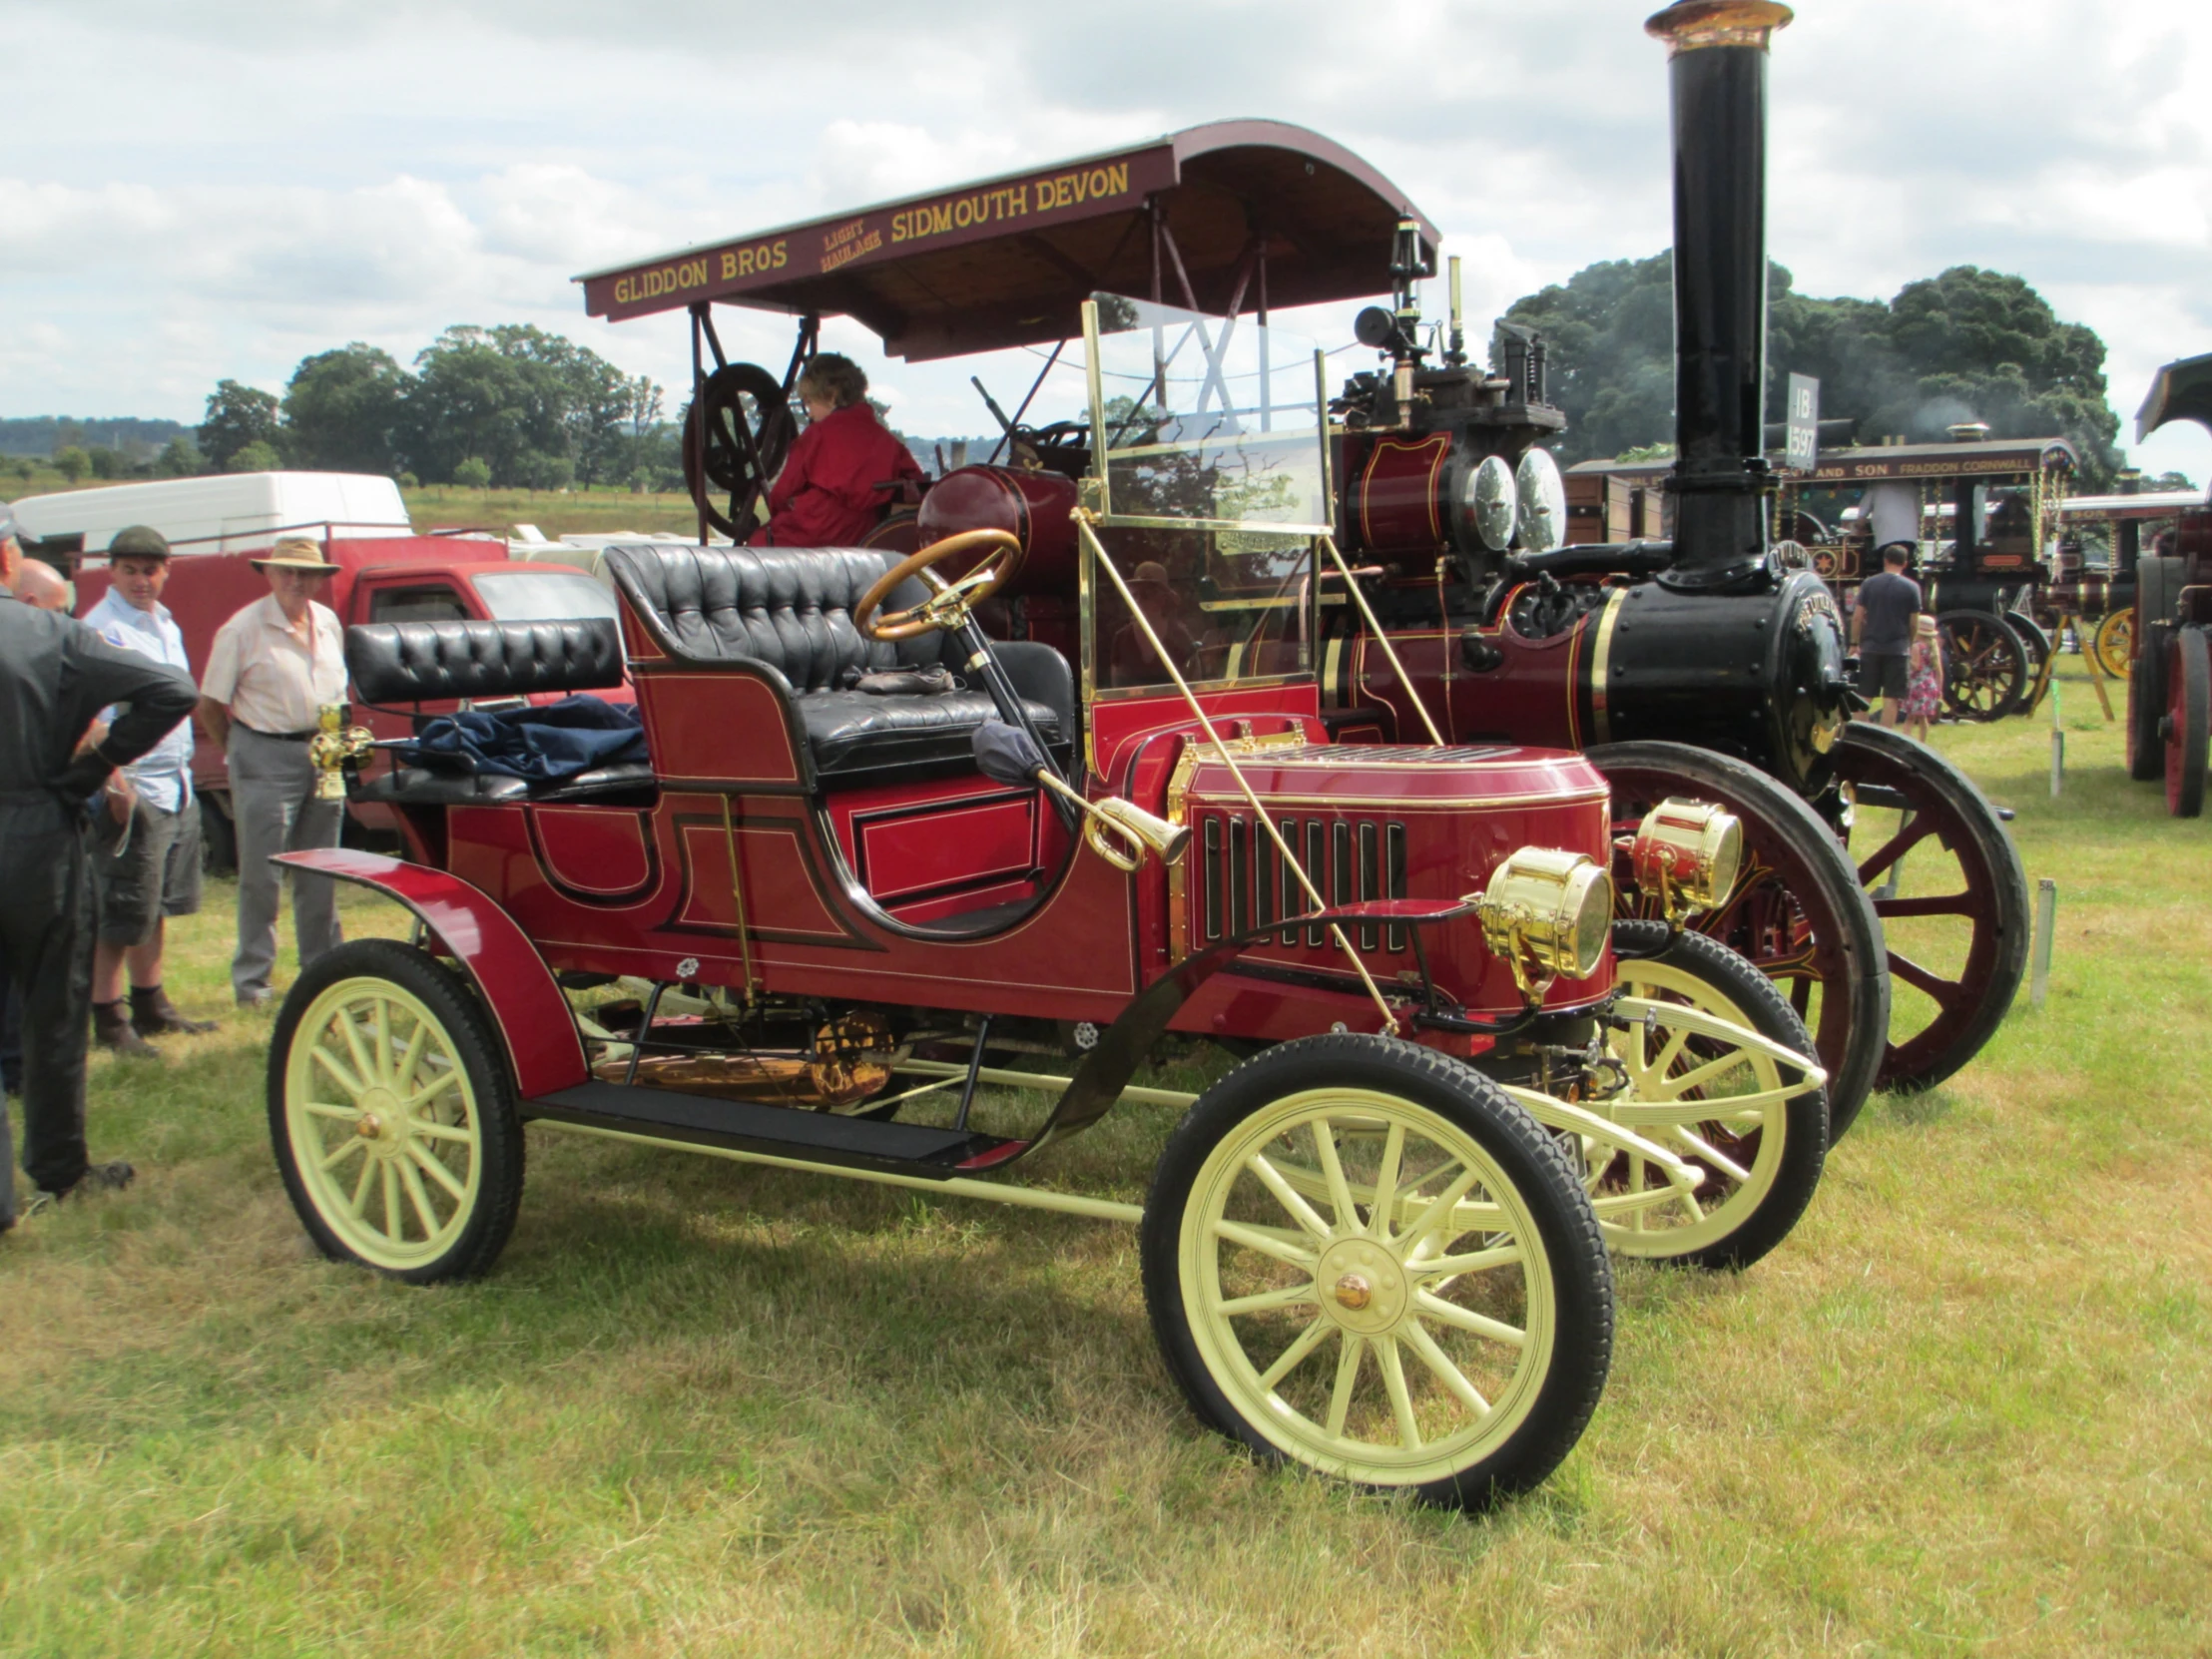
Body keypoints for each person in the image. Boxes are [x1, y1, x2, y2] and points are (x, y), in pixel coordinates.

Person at [0, 500, 198, 1231]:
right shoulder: (50, 631)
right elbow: (171, 692)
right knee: (53, 1011)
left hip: (36, 817)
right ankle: (57, 1168)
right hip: (37, 832)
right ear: (6, 563)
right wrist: (93, 771)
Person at [197, 538, 347, 1008]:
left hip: (322, 751)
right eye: (286, 572)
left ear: (321, 579)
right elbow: (209, 705)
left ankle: (322, 970)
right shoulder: (242, 629)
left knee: (321, 867)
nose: (296, 582)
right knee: (262, 874)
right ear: (268, 574)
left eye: (305, 574)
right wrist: (243, 754)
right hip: (263, 750)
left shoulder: (328, 621)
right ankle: (254, 984)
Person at [83, 526, 216, 1055]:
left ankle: (151, 1003)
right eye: (130, 570)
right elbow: (92, 718)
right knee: (119, 909)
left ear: (167, 570)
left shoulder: (165, 624)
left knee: (153, 903)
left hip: (175, 781)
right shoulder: (102, 628)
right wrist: (114, 783)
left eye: (151, 569)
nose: (142, 580)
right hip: (135, 783)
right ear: (111, 571)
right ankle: (108, 1018)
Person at [751, 354, 925, 548]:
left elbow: (781, 495)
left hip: (810, 532)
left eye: (809, 402)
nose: (809, 412)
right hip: (862, 537)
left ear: (832, 395)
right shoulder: (889, 442)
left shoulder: (816, 435)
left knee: (756, 547)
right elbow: (918, 484)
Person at [1853, 544, 1923, 728]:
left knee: (1864, 695)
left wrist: (1854, 642)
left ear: (1885, 560)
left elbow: (1858, 616)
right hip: (1898, 648)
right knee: (1892, 698)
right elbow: (1914, 622)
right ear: (1905, 563)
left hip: (1871, 646)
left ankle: (1856, 733)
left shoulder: (1869, 584)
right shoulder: (1912, 587)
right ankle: (1885, 736)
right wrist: (1910, 641)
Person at [1903, 614, 1943, 743]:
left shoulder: (1916, 646)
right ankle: (1922, 741)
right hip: (1930, 685)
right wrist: (1939, 689)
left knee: (1910, 717)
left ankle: (1905, 740)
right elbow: (1939, 671)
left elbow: (1917, 666)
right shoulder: (1933, 648)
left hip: (1917, 685)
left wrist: (1907, 659)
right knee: (1922, 718)